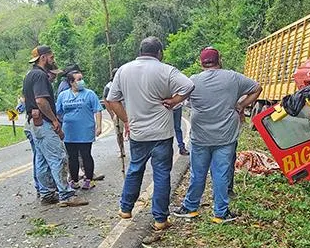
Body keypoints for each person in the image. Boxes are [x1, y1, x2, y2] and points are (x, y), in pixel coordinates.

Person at [105, 36, 194, 231]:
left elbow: (112, 100)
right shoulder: (166, 70)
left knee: (135, 168)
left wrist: (127, 120)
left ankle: (126, 208)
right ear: (159, 52)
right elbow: (188, 86)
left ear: (140, 51)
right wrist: (173, 100)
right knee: (161, 173)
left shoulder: (123, 70)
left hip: (138, 132)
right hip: (162, 132)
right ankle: (160, 219)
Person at [172, 47, 262, 224]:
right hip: (225, 137)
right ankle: (220, 213)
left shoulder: (193, 81)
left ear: (201, 62)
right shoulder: (233, 77)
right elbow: (257, 88)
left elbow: (183, 101)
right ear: (219, 60)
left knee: (197, 173)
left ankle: (190, 208)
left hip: (200, 137)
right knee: (221, 174)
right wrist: (241, 105)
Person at [22, 45, 89, 207]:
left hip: (33, 122)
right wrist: (54, 120)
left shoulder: (29, 75)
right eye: (51, 57)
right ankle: (66, 194)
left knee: (42, 158)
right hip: (43, 122)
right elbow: (40, 100)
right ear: (43, 58)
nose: (53, 60)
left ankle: (47, 193)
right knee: (58, 157)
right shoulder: (40, 76)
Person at [56, 71, 103, 190]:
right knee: (72, 156)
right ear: (71, 82)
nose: (81, 81)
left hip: (85, 129)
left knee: (86, 154)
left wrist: (98, 126)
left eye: (82, 78)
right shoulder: (63, 95)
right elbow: (58, 112)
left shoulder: (90, 94)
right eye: (78, 79)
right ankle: (74, 180)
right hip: (69, 131)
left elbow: (97, 110)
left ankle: (89, 179)